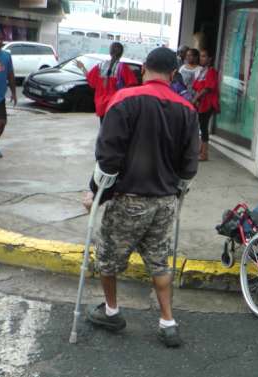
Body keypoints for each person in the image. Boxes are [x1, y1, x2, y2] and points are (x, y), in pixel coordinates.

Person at [83, 47, 199, 348]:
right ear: (174, 74)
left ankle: (111, 311)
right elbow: (189, 166)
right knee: (159, 261)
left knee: (108, 258)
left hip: (128, 199)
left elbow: (108, 158)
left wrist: (95, 193)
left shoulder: (124, 100)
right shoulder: (186, 109)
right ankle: (167, 321)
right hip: (164, 201)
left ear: (144, 68)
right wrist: (176, 191)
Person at [76, 42, 137, 124]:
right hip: (116, 106)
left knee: (104, 131)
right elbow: (132, 87)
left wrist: (82, 67)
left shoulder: (100, 66)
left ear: (110, 52)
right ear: (121, 53)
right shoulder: (124, 68)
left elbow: (92, 82)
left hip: (101, 106)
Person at [192, 49, 219, 161]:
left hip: (208, 103)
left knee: (203, 127)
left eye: (204, 56)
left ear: (209, 59)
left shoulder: (211, 71)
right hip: (202, 103)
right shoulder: (203, 71)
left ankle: (204, 154)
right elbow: (198, 87)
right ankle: (201, 150)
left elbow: (208, 88)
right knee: (201, 127)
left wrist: (195, 98)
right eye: (201, 56)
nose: (201, 58)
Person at [0, 30, 17, 159]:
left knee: (2, 123)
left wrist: (14, 92)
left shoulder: (6, 56)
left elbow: (10, 74)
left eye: (0, 39)